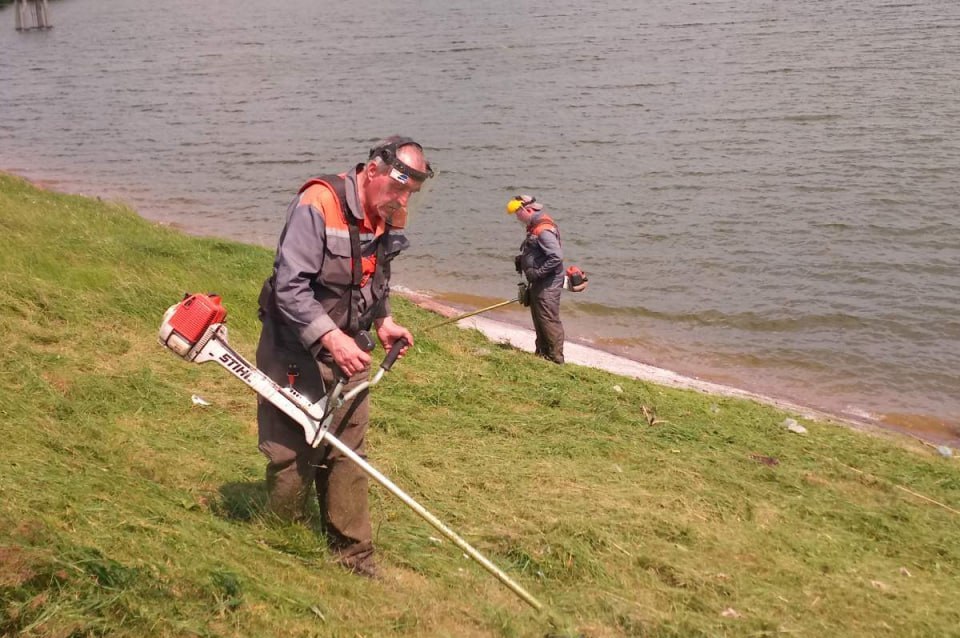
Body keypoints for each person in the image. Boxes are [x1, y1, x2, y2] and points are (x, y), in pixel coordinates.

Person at [255, 136, 433, 578]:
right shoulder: (317, 202)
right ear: (372, 170)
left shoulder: (389, 212)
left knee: (348, 454)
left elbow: (374, 279)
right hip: (293, 346)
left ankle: (354, 558)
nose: (402, 200)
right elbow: (288, 287)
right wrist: (332, 339)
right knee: (291, 454)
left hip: (350, 346)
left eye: (411, 192)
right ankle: (280, 545)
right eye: (398, 189)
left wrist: (383, 321)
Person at [506, 194, 565, 364]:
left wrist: (537, 273)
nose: (517, 217)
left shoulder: (543, 230)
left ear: (528, 209)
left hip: (548, 282)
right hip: (539, 282)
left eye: (518, 213)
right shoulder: (534, 225)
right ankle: (542, 354)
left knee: (548, 319)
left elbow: (556, 257)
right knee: (539, 318)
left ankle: (555, 359)